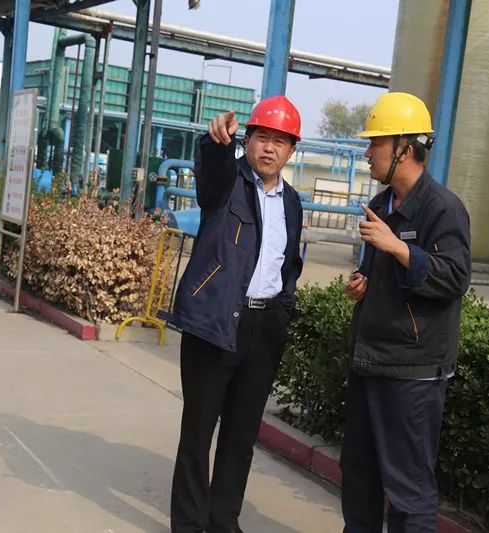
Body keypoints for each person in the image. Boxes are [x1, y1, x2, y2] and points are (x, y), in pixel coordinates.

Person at [167, 95, 304, 533]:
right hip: (215, 321)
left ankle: (223, 520)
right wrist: (216, 143)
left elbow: (289, 263)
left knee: (242, 435)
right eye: (262, 137)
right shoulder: (227, 183)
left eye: (280, 141)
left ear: (292, 150)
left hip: (263, 328)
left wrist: (283, 309)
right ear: (248, 140)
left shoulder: (292, 202)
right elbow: (210, 174)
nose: (269, 148)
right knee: (198, 432)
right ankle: (188, 525)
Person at [341, 92, 471, 532]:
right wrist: (363, 282)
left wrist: (398, 248)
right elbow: (382, 271)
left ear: (405, 147)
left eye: (375, 143)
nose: (367, 152)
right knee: (359, 477)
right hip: (370, 361)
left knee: (408, 489)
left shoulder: (443, 209)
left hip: (412, 373)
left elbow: (454, 278)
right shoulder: (381, 205)